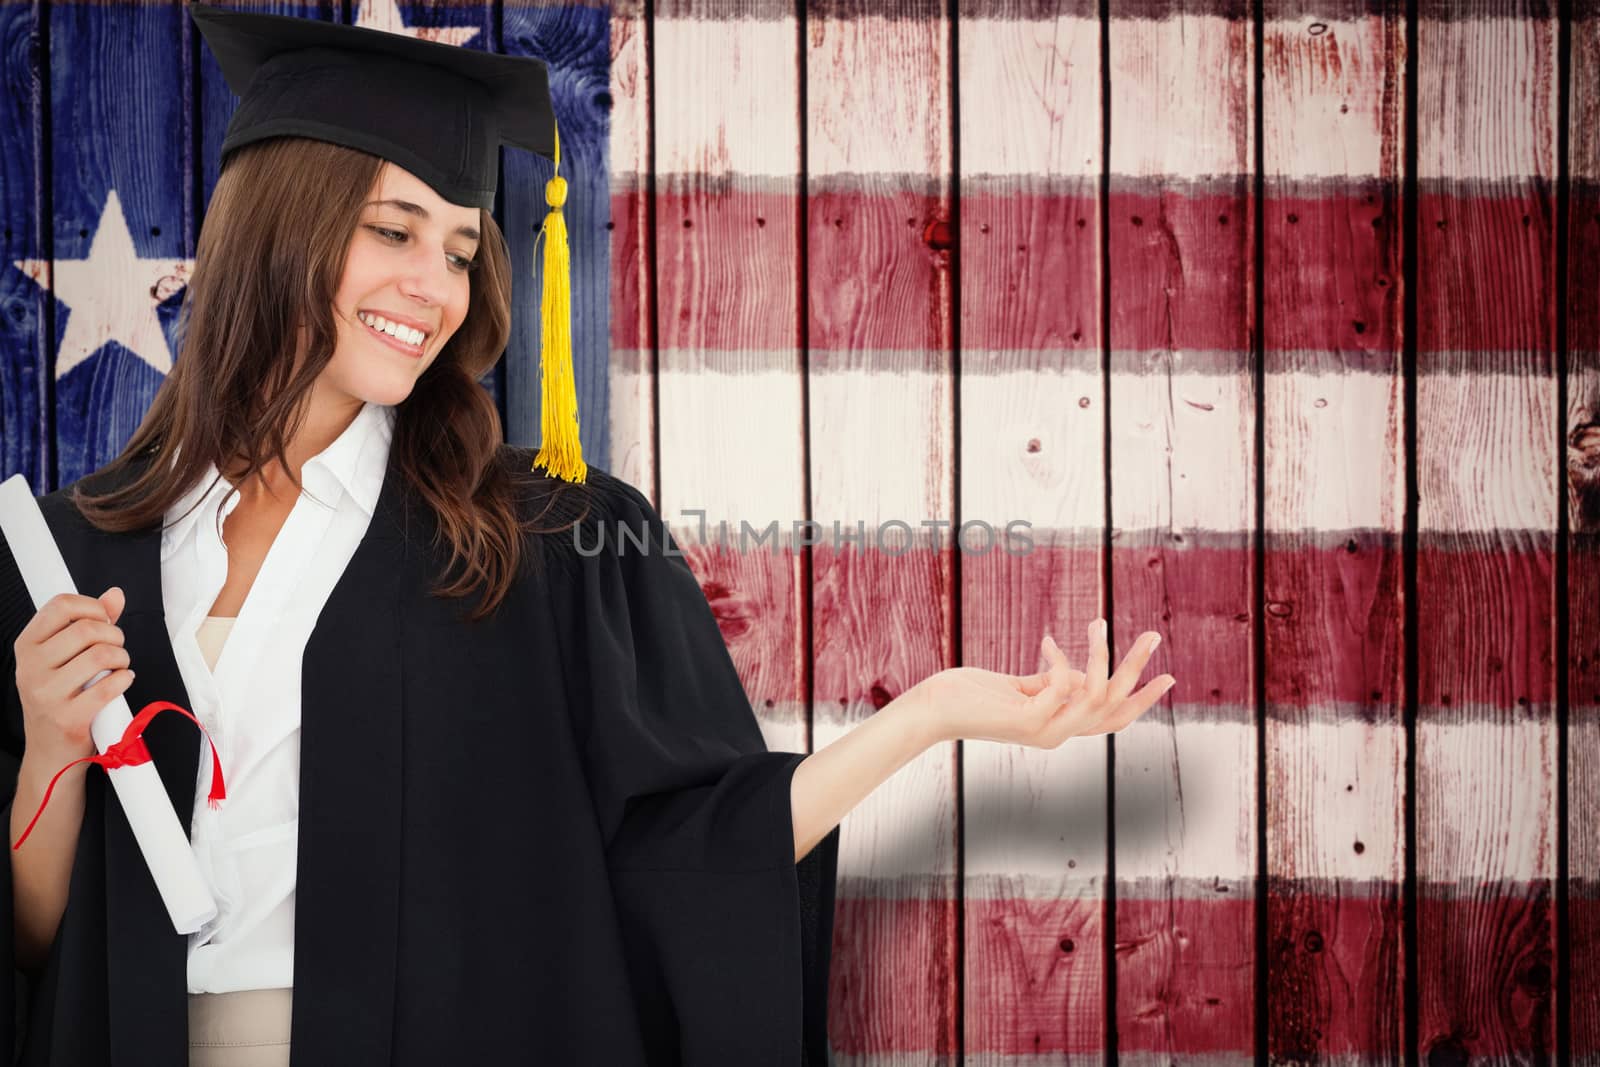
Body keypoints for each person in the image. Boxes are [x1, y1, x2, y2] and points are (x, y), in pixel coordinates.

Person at [0, 5, 1177, 1065]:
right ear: (280, 228)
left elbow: (684, 851)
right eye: (393, 231)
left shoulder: (538, 543)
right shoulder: (82, 553)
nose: (435, 285)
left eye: (461, 249)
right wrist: (53, 743)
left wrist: (930, 715)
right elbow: (42, 943)